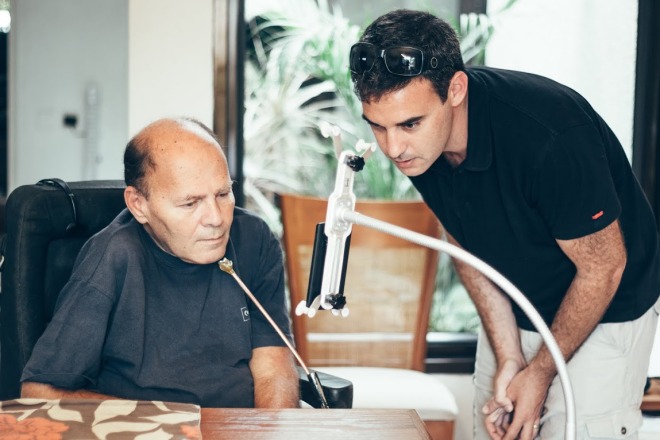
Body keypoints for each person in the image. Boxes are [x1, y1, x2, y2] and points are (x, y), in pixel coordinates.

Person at [349, 9, 660, 440]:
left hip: (606, 307)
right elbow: (464, 246)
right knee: (491, 427)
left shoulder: (549, 138)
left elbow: (603, 268)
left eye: (409, 124)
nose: (394, 148)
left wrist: (541, 373)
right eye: (378, 128)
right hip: (517, 302)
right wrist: (511, 357)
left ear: (456, 89)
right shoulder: (421, 150)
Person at [21, 117, 300, 408]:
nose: (216, 219)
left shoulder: (254, 239)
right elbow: (40, 393)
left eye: (223, 193)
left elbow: (272, 367)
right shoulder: (113, 257)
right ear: (139, 205)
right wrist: (170, 423)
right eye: (190, 203)